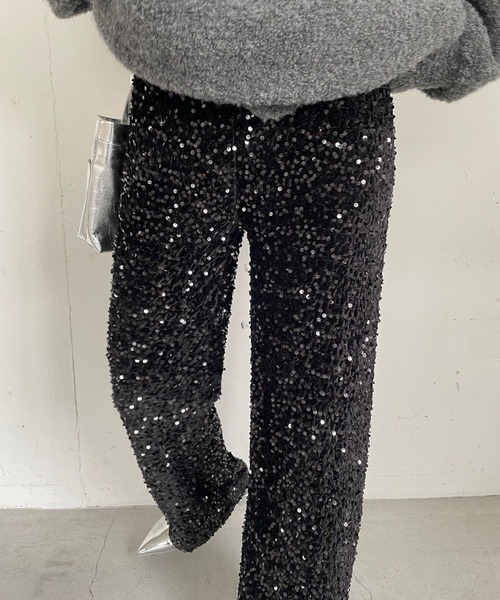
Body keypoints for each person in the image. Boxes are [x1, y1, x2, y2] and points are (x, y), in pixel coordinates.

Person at [44, 1, 500, 599]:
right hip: (178, 112)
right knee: (149, 378)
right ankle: (203, 492)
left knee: (318, 408)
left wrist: (419, 37)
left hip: (337, 125)